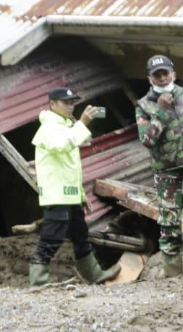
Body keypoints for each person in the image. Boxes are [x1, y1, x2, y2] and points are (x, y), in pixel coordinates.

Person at [28, 88, 121, 287]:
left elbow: (69, 168)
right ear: (52, 104)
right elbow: (62, 146)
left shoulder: (65, 125)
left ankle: (94, 274)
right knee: (52, 238)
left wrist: (81, 194)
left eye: (72, 103)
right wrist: (83, 123)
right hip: (57, 195)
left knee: (81, 235)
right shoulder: (49, 127)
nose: (71, 106)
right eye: (66, 102)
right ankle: (37, 282)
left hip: (69, 195)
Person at [137, 55, 183, 278]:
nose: (162, 78)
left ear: (174, 74)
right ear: (149, 79)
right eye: (157, 75)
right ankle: (173, 278)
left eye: (165, 73)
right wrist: (160, 111)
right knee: (170, 225)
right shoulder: (144, 105)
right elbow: (147, 140)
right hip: (167, 173)